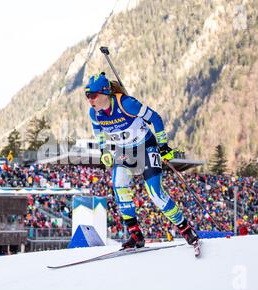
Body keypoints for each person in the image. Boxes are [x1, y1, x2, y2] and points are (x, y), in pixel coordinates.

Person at [85, 72, 199, 249]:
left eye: (92, 95)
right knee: (119, 187)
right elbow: (98, 133)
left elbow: (155, 118)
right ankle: (136, 235)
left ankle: (186, 230)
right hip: (124, 151)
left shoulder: (126, 104)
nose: (89, 100)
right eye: (87, 96)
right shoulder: (95, 113)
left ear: (105, 92)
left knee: (154, 192)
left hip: (145, 147)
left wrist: (163, 146)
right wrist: (104, 150)